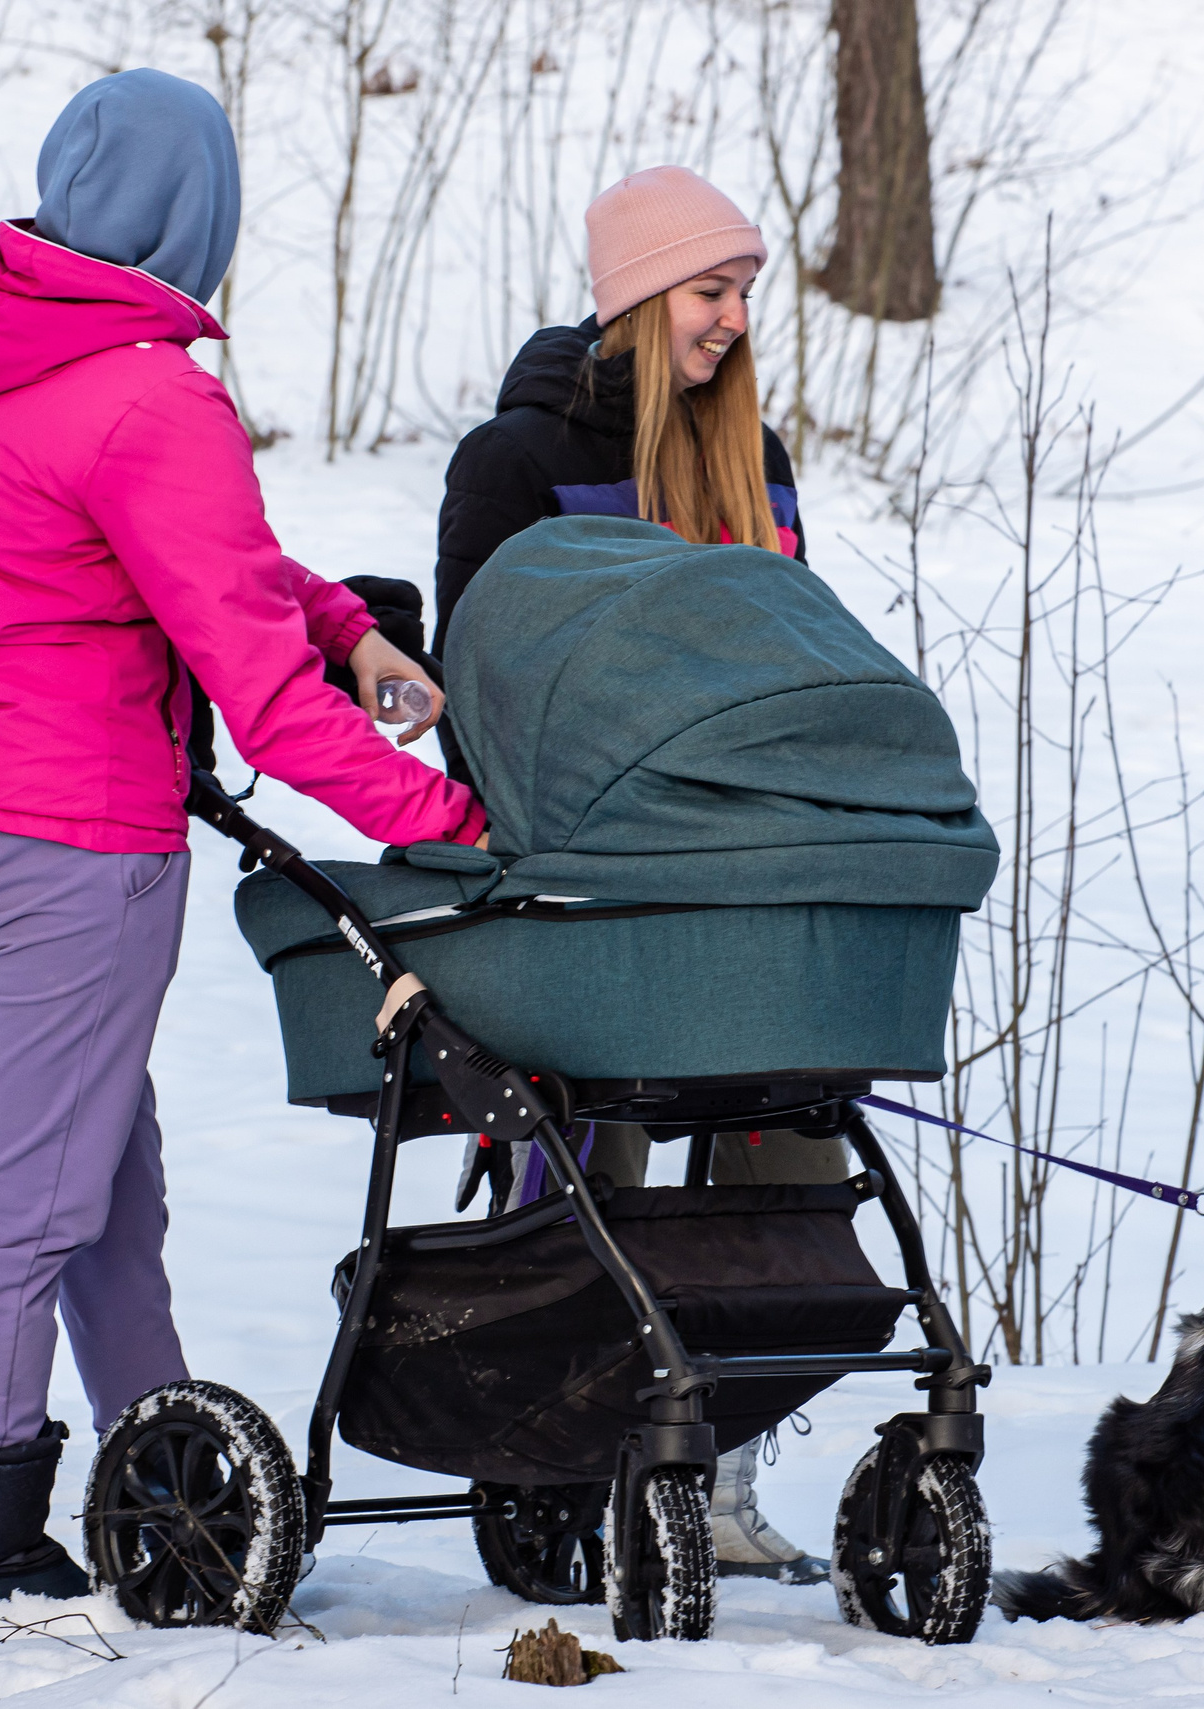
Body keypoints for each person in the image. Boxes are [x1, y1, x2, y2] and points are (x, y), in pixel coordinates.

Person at [0, 69, 478, 1607]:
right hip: (76, 844)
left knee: (100, 1180)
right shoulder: (155, 394)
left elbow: (207, 558)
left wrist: (345, 620)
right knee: (32, 1197)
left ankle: (162, 1471)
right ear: (197, 218)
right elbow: (270, 709)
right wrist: (454, 820)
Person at [430, 165, 834, 1585]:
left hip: (741, 873)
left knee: (796, 1142)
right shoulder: (518, 464)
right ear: (637, 299)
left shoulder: (757, 461)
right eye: (709, 293)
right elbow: (477, 687)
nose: (731, 323)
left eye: (742, 295)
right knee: (594, 1162)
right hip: (584, 881)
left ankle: (711, 1462)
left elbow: (798, 665)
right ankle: (565, 1445)